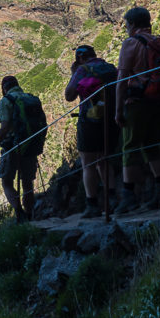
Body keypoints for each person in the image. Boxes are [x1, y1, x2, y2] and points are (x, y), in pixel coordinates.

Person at [114, 7, 160, 214]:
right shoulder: (158, 41)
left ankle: (129, 197)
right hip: (159, 99)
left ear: (133, 25)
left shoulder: (131, 43)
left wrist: (118, 110)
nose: (127, 29)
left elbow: (121, 81)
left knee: (129, 147)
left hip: (137, 101)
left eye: (127, 25)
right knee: (152, 145)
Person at [64, 45, 119, 218]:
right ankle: (112, 199)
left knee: (88, 163)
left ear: (80, 58)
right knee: (104, 160)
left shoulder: (82, 70)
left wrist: (74, 73)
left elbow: (69, 95)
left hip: (89, 120)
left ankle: (92, 204)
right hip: (111, 119)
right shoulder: (110, 67)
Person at [0, 76, 39, 222]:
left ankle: (19, 212)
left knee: (7, 181)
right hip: (30, 145)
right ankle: (30, 216)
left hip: (12, 146)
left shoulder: (6, 100)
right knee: (27, 182)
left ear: (4, 88)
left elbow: (4, 128)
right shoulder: (30, 98)